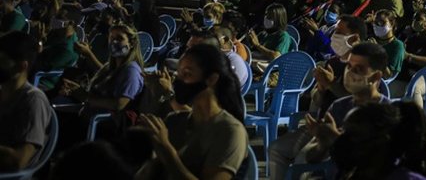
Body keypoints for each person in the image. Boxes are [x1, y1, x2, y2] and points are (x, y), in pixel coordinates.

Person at [268, 42, 393, 180]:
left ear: (376, 77)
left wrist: (339, 141)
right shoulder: (339, 106)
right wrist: (322, 143)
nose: (350, 72)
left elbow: (377, 163)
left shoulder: (388, 114)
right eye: (349, 67)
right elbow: (311, 157)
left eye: (359, 69)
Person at [136, 44, 247, 180]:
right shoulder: (175, 119)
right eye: (179, 74)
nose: (179, 80)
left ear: (211, 79)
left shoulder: (230, 131)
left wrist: (167, 151)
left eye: (187, 74)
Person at [331, 101, 426, 180]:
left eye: (354, 134)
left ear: (382, 140)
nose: (344, 140)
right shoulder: (353, 175)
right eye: (343, 131)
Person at [0, 32, 51, 172]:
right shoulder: (3, 91)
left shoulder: (33, 101)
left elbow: (18, 161)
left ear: (22, 67)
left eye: (2, 62)